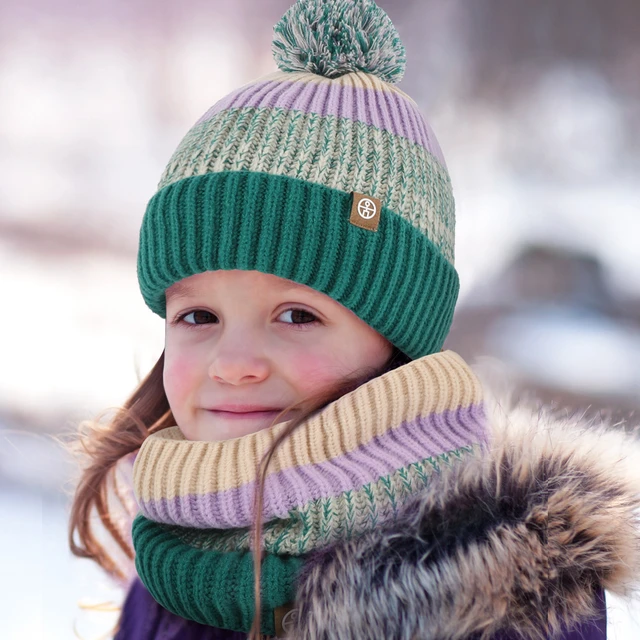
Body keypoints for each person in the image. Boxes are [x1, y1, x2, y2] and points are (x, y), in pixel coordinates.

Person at [68, 0, 640, 638]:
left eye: (296, 314)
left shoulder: (499, 598)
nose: (232, 363)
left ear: (398, 342)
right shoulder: (174, 565)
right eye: (199, 314)